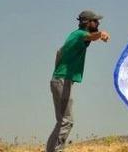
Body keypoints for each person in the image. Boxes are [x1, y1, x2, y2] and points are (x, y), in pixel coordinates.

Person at [46, 10, 110, 152]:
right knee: (67, 121)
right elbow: (90, 36)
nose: (98, 23)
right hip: (62, 81)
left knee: (61, 122)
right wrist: (100, 34)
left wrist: (57, 74)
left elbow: (59, 52)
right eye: (96, 21)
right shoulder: (80, 34)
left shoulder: (73, 36)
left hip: (60, 80)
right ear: (87, 22)